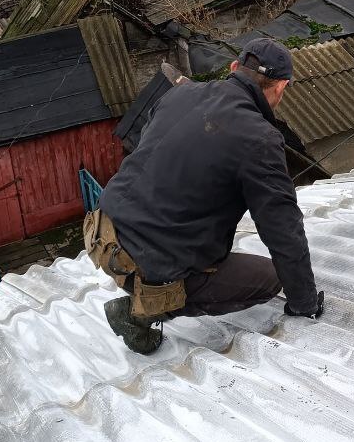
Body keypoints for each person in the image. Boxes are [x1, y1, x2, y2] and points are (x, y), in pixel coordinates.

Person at [86, 38, 323, 354]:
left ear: (235, 68)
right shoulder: (260, 137)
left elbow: (149, 155)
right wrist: (303, 302)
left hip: (102, 233)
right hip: (146, 264)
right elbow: (282, 230)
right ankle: (140, 311)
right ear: (281, 87)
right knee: (270, 278)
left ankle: (150, 285)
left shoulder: (179, 93)